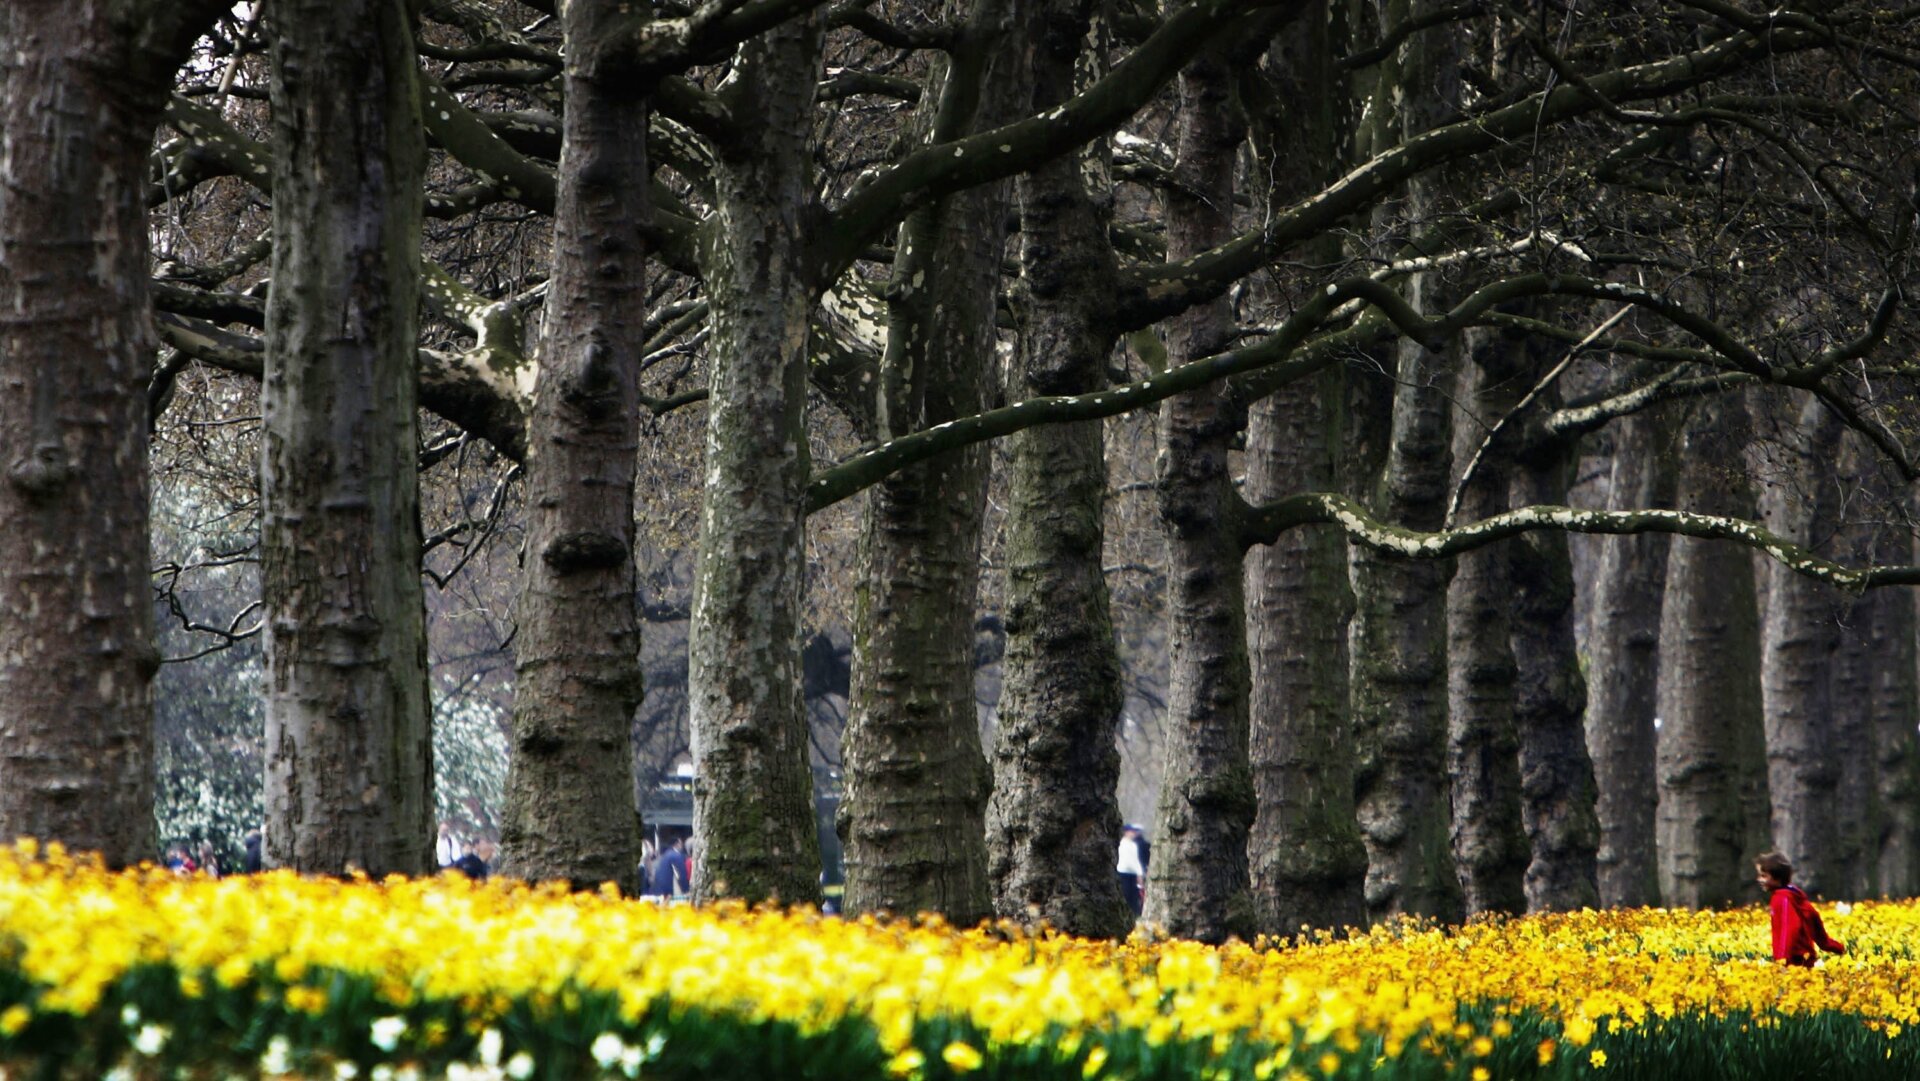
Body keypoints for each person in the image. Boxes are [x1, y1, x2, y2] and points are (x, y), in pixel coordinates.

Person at [1755, 850, 1846, 967]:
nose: (1759, 880)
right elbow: (1813, 918)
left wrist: (1781, 961)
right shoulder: (1795, 895)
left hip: (1794, 961)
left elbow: (1789, 928)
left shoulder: (1782, 899)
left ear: (1777, 877)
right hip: (1804, 958)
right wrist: (1834, 946)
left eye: (1763, 876)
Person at [1116, 825, 1147, 918]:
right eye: (1132, 831)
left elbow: (1135, 861)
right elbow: (1129, 862)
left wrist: (1139, 874)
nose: (1133, 834)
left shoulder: (1133, 845)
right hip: (1123, 873)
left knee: (1133, 897)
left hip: (1132, 874)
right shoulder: (1121, 844)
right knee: (1125, 894)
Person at [649, 836, 690, 900]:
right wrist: (686, 890)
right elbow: (681, 875)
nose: (682, 846)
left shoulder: (665, 855)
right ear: (677, 844)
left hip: (659, 890)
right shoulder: (676, 856)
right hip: (668, 892)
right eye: (681, 843)